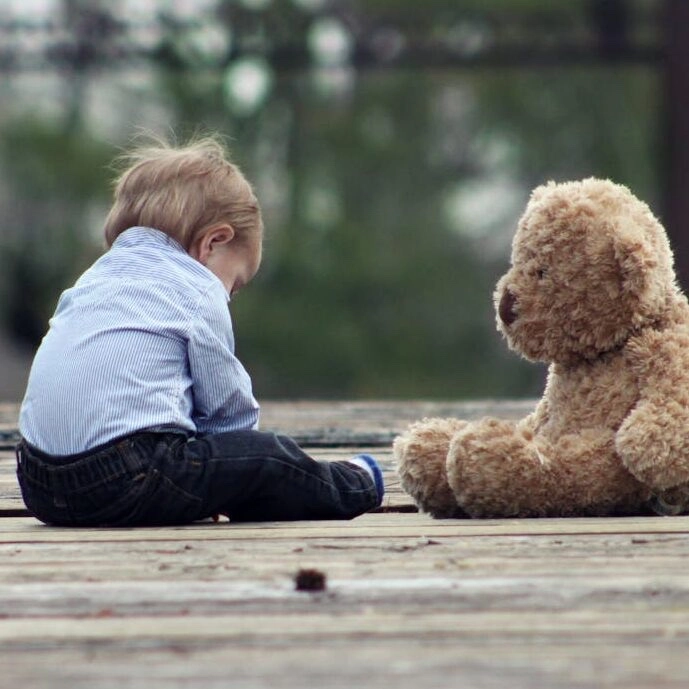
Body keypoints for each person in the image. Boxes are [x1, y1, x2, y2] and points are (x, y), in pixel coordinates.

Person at [15, 135, 384, 527]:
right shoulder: (196, 288)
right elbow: (228, 413)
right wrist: (238, 468)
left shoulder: (92, 280)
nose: (229, 295)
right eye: (236, 284)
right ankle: (355, 483)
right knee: (270, 457)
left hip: (38, 483)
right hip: (125, 478)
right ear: (213, 242)